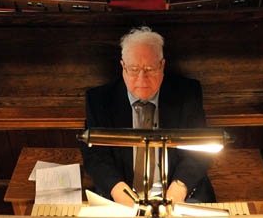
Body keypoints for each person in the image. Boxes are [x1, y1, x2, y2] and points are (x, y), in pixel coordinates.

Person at [81, 27, 215, 207]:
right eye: (134, 69)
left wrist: (179, 188)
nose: (142, 80)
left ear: (162, 65)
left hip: (178, 193)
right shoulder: (99, 100)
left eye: (150, 69)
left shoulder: (187, 94)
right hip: (122, 196)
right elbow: (95, 156)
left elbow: (200, 149)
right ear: (123, 67)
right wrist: (119, 192)